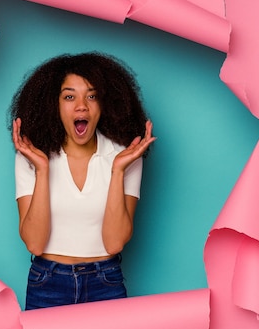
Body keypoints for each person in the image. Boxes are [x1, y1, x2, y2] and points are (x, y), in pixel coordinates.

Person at [8, 52, 155, 310]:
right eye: (69, 96)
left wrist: (118, 171)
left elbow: (114, 243)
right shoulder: (32, 157)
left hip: (106, 282)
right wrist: (42, 169)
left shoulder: (125, 156)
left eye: (92, 96)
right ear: (53, 104)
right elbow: (34, 242)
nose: (81, 106)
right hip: (47, 283)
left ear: (105, 104)